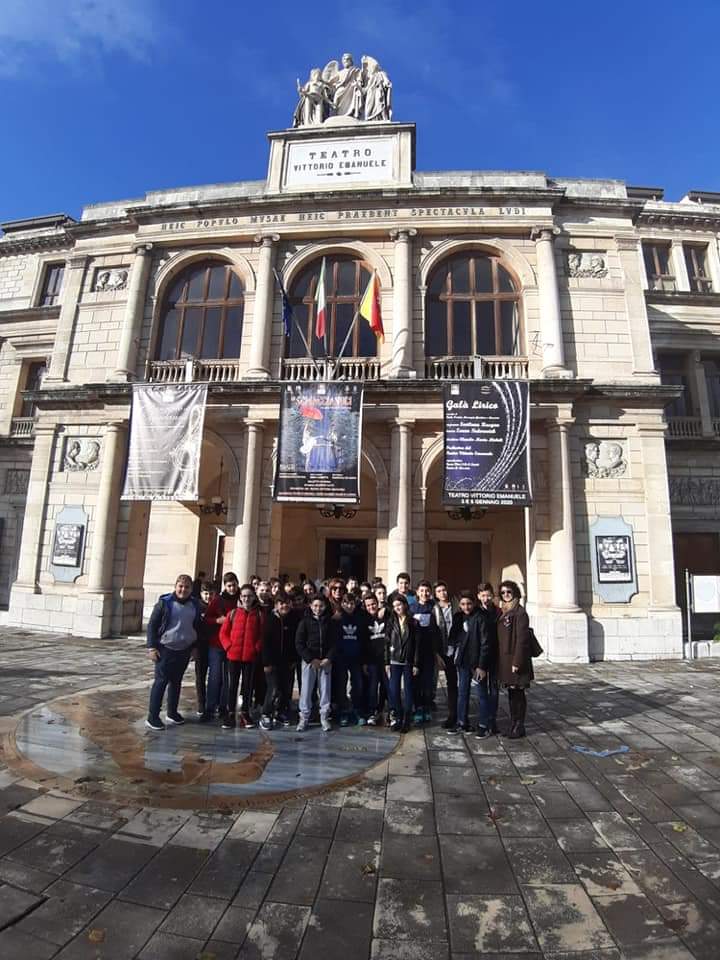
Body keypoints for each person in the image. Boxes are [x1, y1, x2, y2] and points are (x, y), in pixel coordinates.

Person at [145, 574, 202, 731]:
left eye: (187, 587)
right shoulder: (164, 603)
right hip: (165, 648)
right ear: (175, 586)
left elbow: (197, 626)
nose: (183, 590)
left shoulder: (195, 605)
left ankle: (172, 712)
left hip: (184, 649)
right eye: (180, 586)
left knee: (176, 682)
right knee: (161, 682)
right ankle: (153, 716)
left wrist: (195, 647)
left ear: (191, 589)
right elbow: (152, 625)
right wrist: (151, 647)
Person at [220, 584, 265, 729]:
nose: (246, 599)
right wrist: (228, 646)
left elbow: (262, 635)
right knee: (232, 685)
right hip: (233, 656)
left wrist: (256, 648)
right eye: (244, 596)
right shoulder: (233, 613)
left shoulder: (258, 614)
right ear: (240, 597)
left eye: (250, 596)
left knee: (247, 686)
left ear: (254, 597)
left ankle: (245, 712)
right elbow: (223, 633)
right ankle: (231, 712)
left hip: (249, 656)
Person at [295, 596, 337, 732]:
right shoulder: (305, 622)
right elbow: (299, 643)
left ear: (325, 607)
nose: (318, 609)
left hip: (325, 661)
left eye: (321, 606)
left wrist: (328, 658)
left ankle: (324, 716)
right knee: (306, 690)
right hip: (310, 661)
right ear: (311, 606)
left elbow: (334, 643)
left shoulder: (330, 623)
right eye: (315, 606)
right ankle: (304, 717)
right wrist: (310, 659)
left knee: (325, 690)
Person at [497, 580, 533, 739]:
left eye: (509, 592)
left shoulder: (520, 612)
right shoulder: (505, 611)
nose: (506, 595)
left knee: (518, 693)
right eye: (503, 592)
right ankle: (513, 723)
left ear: (515, 593)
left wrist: (517, 662)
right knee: (512, 693)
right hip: (506, 660)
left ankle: (519, 726)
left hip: (516, 661)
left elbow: (522, 640)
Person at [200, 572, 238, 722]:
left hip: (233, 645)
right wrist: (217, 620)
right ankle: (210, 707)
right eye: (229, 585)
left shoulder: (242, 599)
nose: (232, 588)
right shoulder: (218, 600)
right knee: (215, 676)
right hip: (216, 644)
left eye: (234, 585)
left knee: (228, 677)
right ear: (225, 586)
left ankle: (224, 706)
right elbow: (207, 618)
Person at [260, 594, 300, 729]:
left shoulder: (293, 619)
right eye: (281, 603)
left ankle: (281, 711)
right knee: (273, 688)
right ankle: (266, 713)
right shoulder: (270, 619)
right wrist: (266, 662)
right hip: (272, 662)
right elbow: (265, 642)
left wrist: (294, 658)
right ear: (276, 605)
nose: (285, 606)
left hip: (287, 661)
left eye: (287, 603)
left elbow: (296, 641)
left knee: (286, 688)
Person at [385, 595, 419, 732]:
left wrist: (416, 663)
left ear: (405, 604)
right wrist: (386, 662)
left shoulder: (413, 622)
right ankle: (397, 717)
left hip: (408, 661)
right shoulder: (391, 622)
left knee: (409, 690)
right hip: (394, 660)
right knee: (394, 690)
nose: (397, 608)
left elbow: (417, 645)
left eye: (399, 604)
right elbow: (386, 643)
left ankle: (407, 718)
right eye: (394, 606)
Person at [449, 591, 479, 734]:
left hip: (477, 659)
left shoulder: (479, 616)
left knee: (482, 692)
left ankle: (486, 722)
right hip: (463, 659)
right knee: (463, 691)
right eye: (463, 604)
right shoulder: (458, 617)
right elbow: (452, 636)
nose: (466, 607)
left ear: (473, 603)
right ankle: (462, 721)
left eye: (468, 604)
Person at [335, 592, 366, 726]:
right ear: (342, 604)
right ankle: (343, 711)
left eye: (352, 603)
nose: (349, 606)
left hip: (356, 657)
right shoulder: (337, 619)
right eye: (346, 603)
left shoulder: (359, 618)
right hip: (341, 657)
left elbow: (363, 638)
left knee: (357, 684)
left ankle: (356, 708)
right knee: (341, 685)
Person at [411, 580, 440, 724]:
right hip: (415, 651)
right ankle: (417, 707)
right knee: (416, 681)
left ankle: (427, 707)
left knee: (428, 681)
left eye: (427, 590)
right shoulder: (412, 608)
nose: (424, 593)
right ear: (417, 592)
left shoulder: (434, 608)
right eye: (421, 590)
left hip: (430, 651)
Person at [474, 583, 500, 738]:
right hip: (480, 659)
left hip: (496, 658)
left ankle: (492, 720)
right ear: (479, 596)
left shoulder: (498, 612)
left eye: (488, 595)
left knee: (495, 691)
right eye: (483, 595)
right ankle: (483, 722)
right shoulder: (476, 613)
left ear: (492, 595)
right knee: (482, 692)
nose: (486, 598)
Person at [433, 581, 458, 730]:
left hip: (457, 650)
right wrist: (437, 654)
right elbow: (434, 633)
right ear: (436, 594)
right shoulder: (434, 610)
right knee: (449, 683)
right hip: (443, 651)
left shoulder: (456, 606)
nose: (443, 593)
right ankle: (452, 714)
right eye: (439, 591)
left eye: (444, 590)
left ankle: (458, 713)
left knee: (457, 684)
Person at [362, 592, 388, 725]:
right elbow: (363, 643)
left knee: (386, 686)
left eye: (373, 604)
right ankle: (372, 711)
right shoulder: (364, 620)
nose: (371, 607)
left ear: (378, 604)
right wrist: (364, 662)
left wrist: (386, 609)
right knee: (373, 687)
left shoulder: (385, 616)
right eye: (368, 605)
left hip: (385, 659)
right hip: (371, 660)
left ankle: (384, 710)